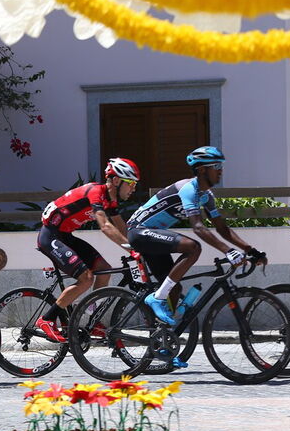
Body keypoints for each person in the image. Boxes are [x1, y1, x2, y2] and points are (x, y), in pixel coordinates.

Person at [127, 146, 264, 328]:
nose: (220, 170)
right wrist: (229, 251)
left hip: (153, 236)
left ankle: (162, 342)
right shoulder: (188, 189)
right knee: (193, 247)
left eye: (221, 165)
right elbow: (198, 227)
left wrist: (251, 251)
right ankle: (157, 298)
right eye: (215, 165)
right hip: (139, 231)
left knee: (174, 288)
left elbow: (222, 229)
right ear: (201, 170)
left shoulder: (206, 196)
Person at [34, 158, 140, 343]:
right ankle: (47, 319)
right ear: (116, 181)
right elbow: (105, 226)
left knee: (103, 269)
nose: (133, 189)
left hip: (65, 235)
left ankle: (94, 321)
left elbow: (120, 227)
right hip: (50, 235)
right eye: (131, 184)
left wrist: (137, 248)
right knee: (86, 278)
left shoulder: (110, 199)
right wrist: (131, 250)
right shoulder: (96, 192)